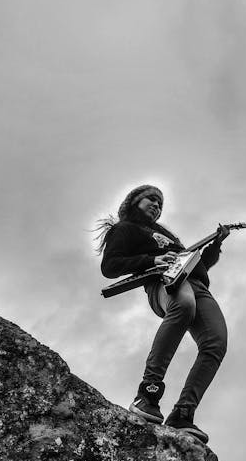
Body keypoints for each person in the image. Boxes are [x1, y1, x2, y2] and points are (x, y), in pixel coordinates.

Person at [97, 184, 230, 443]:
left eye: (160, 203)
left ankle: (183, 414)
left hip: (197, 284)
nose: (157, 205)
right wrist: (150, 260)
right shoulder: (125, 229)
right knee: (184, 306)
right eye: (151, 199)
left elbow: (199, 264)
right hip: (163, 284)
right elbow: (110, 266)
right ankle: (147, 394)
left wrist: (216, 245)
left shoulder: (169, 237)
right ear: (134, 201)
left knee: (216, 342)